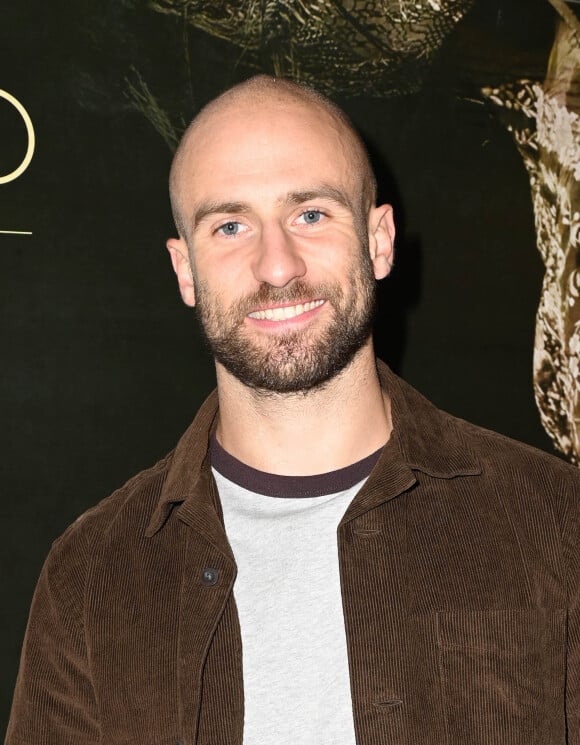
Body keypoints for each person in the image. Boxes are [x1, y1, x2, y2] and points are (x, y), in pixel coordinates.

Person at [5, 75, 580, 745]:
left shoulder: (556, 524)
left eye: (310, 214)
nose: (276, 266)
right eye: (229, 225)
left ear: (380, 239)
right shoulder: (94, 573)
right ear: (185, 269)